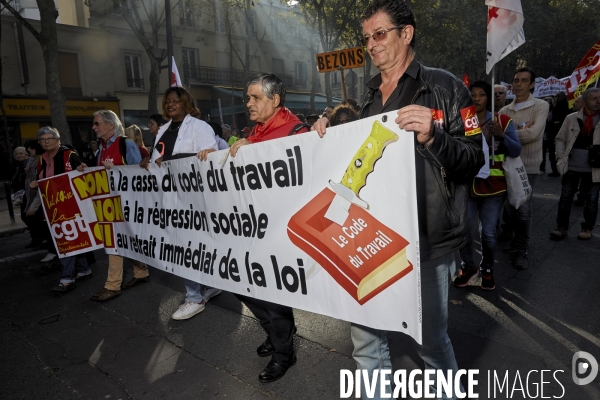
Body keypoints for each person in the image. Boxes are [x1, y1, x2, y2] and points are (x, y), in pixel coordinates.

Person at [312, 1, 484, 397]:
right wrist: (322, 135)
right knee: (366, 341)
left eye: (380, 34)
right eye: (366, 37)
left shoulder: (445, 88)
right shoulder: (365, 98)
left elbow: (474, 158)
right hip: (369, 237)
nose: (371, 45)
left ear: (406, 33)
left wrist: (434, 137)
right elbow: (350, 162)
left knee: (431, 341)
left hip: (427, 239)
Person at [200, 73, 308, 384]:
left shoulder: (295, 132)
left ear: (274, 101)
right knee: (240, 284)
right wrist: (213, 158)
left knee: (273, 295)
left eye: (255, 98)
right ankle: (276, 335)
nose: (248, 103)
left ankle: (284, 354)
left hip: (277, 233)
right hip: (249, 229)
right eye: (247, 98)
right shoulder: (256, 131)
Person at [142, 86, 222, 320]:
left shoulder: (199, 127)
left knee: (194, 245)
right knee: (184, 246)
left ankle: (195, 297)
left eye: (176, 100)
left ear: (186, 103)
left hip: (196, 199)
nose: (170, 104)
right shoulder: (163, 130)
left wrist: (207, 153)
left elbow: (212, 157)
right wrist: (149, 162)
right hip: (173, 198)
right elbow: (159, 162)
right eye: (167, 101)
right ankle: (201, 290)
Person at [454, 81, 521, 291]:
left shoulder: (502, 121)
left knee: (489, 234)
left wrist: (501, 136)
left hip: (494, 187)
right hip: (467, 184)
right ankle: (468, 267)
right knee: (463, 230)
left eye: (481, 95)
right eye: (472, 94)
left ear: (488, 99)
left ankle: (487, 270)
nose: (476, 98)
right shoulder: (462, 121)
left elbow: (515, 150)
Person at [81, 110, 148, 302]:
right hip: (109, 204)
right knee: (120, 241)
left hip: (127, 203)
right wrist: (85, 171)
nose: (94, 127)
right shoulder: (102, 147)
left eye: (97, 123)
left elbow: (139, 175)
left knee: (117, 242)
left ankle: (112, 286)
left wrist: (118, 170)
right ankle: (141, 272)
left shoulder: (125, 144)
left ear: (111, 125)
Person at [498, 67, 549, 270]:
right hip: (507, 166)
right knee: (510, 208)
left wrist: (506, 135)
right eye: (516, 80)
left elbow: (534, 134)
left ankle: (522, 250)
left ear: (532, 84)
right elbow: (521, 134)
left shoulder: (541, 106)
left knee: (524, 210)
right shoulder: (504, 111)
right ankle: (512, 239)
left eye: (524, 80)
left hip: (527, 166)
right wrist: (515, 133)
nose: (518, 84)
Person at [31, 126, 92, 292]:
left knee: (66, 242)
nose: (46, 142)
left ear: (58, 140)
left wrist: (81, 169)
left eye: (49, 138)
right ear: (39, 142)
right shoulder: (42, 159)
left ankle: (67, 279)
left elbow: (84, 174)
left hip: (71, 206)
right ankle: (84, 269)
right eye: (43, 140)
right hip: (52, 208)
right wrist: (36, 183)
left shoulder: (69, 155)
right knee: (69, 240)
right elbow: (42, 180)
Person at [550, 87, 600, 241]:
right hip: (571, 166)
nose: (598, 101)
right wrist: (560, 157)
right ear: (584, 101)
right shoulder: (571, 118)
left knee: (591, 200)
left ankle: (587, 228)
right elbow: (559, 139)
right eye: (594, 98)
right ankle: (561, 227)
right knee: (565, 198)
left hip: (594, 169)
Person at [21, 140, 46, 249]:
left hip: (36, 193)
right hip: (29, 192)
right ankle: (37, 238)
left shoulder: (41, 160)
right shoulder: (31, 160)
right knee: (27, 216)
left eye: (30, 148)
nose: (28, 151)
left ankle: (39, 238)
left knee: (34, 217)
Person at [547, 92, 570, 177]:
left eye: (558, 96)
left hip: (559, 133)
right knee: (552, 153)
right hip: (552, 133)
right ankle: (555, 170)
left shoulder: (565, 108)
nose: (556, 98)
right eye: (556, 96)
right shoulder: (553, 107)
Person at [540, 96, 555, 174]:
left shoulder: (554, 111)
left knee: (552, 153)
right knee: (542, 153)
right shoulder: (540, 111)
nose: (546, 102)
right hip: (542, 134)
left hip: (550, 134)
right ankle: (542, 168)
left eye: (548, 101)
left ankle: (554, 169)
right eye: (545, 100)